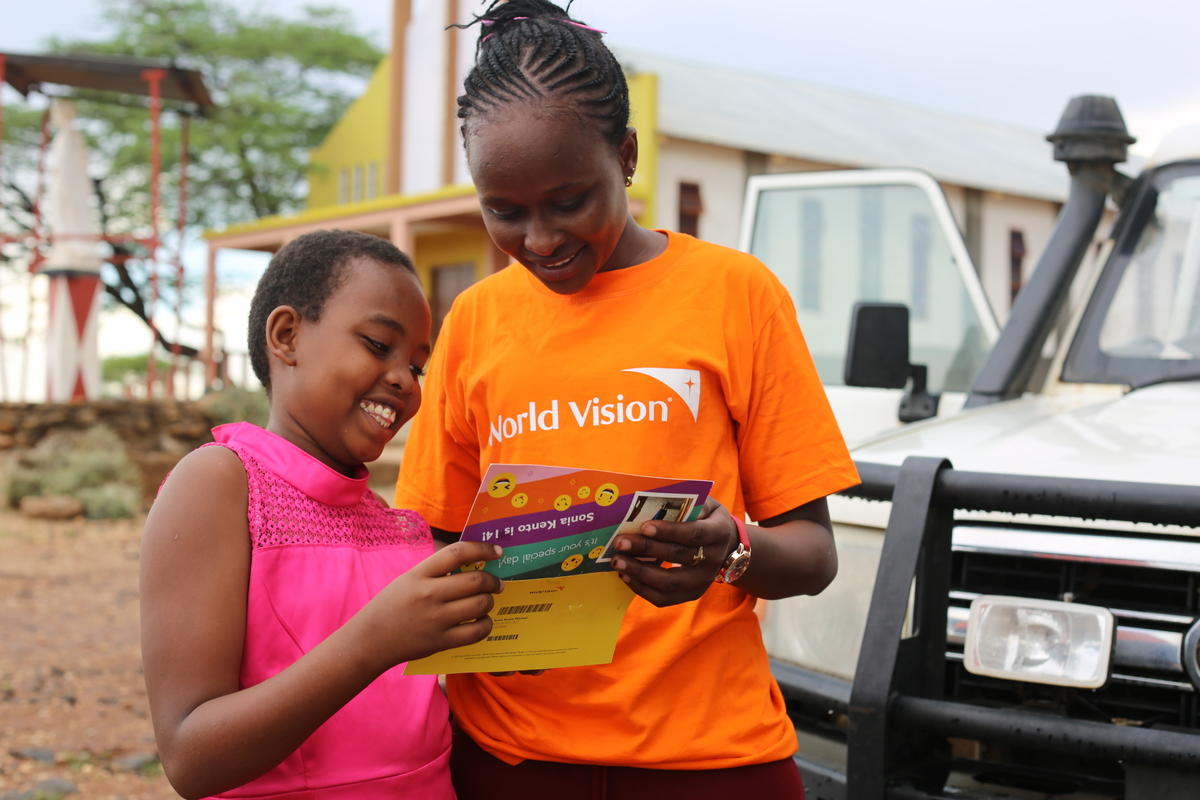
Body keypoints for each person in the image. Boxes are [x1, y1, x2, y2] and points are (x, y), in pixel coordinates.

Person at [393, 2, 861, 797]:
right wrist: (489, 608)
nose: (540, 239)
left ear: (628, 155)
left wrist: (730, 554)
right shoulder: (475, 320)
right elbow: (436, 543)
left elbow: (814, 556)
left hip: (713, 760)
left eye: (570, 201)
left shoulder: (735, 295)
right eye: (505, 211)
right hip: (514, 758)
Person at [140, 230, 504, 799]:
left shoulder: (394, 524)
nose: (404, 380)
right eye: (378, 345)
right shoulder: (221, 483)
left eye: (418, 365)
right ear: (286, 335)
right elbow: (190, 757)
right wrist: (373, 643)